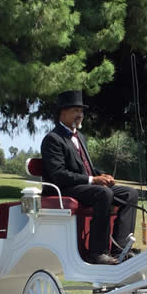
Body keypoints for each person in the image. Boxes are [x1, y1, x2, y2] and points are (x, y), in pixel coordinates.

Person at [41, 90, 138, 265]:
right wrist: (93, 180)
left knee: (130, 194)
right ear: (62, 113)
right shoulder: (52, 139)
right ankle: (97, 253)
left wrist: (101, 175)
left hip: (84, 185)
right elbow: (59, 174)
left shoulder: (80, 137)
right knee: (103, 194)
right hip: (65, 187)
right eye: (75, 111)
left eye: (82, 111)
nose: (80, 115)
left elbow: (86, 167)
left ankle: (121, 249)